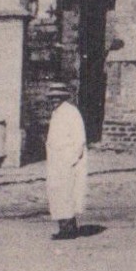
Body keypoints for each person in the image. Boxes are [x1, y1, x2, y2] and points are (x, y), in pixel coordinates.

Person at [44, 89, 88, 240]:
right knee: (57, 192)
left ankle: (68, 229)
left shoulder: (71, 112)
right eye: (52, 98)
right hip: (56, 160)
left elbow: (79, 138)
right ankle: (64, 226)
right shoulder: (56, 113)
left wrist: (71, 159)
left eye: (57, 98)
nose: (54, 101)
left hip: (67, 159)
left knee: (67, 193)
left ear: (63, 98)